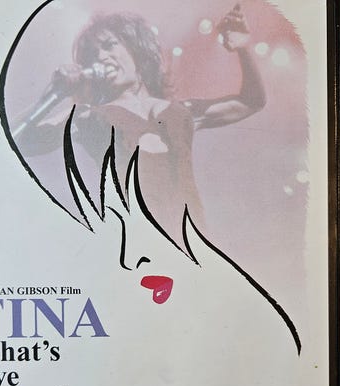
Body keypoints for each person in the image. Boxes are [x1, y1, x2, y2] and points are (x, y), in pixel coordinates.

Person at [15, 4, 266, 248]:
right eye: (93, 54)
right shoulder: (88, 116)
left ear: (135, 48)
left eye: (109, 45)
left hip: (194, 245)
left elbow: (251, 102)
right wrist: (54, 92)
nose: (101, 57)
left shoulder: (181, 112)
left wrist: (244, 48)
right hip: (140, 250)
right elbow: (17, 140)